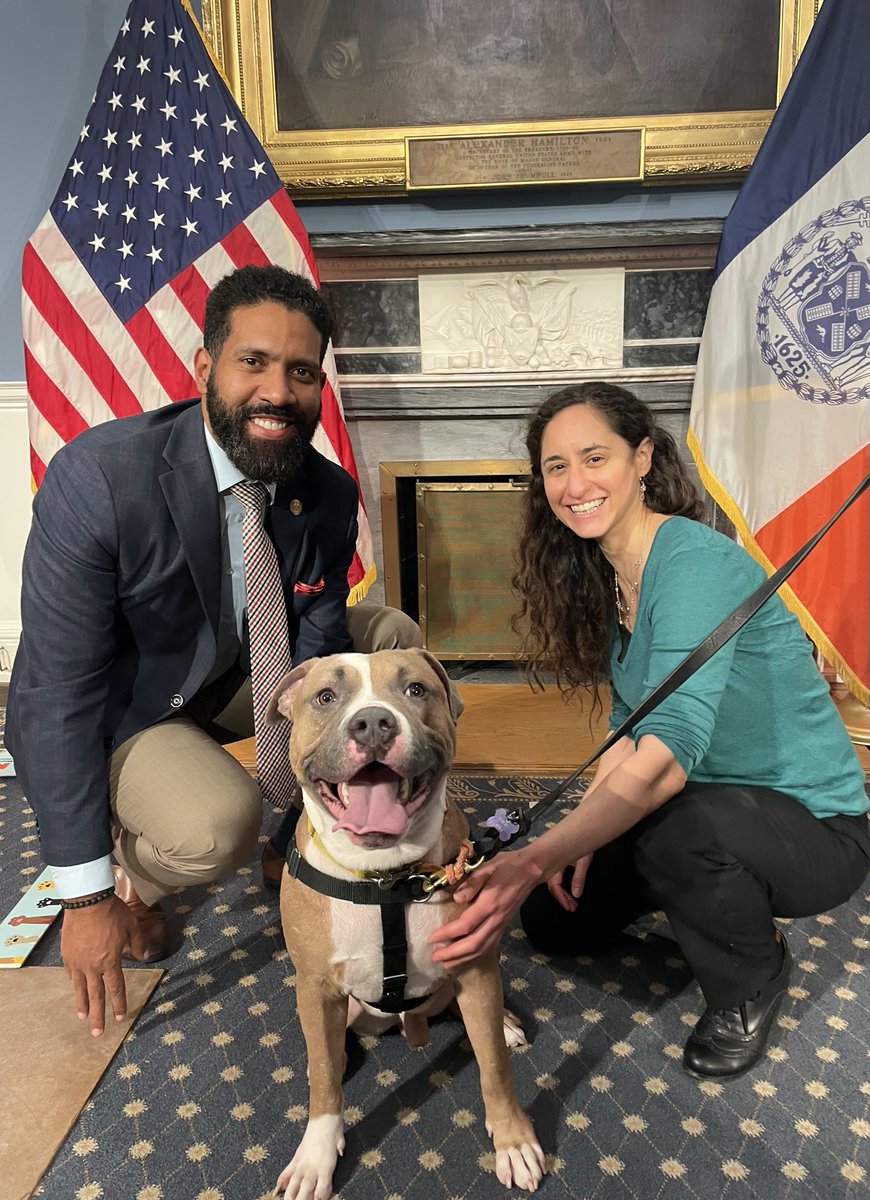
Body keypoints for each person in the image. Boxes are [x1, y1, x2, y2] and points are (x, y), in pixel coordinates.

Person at [7, 264, 418, 1037]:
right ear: (205, 367)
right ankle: (139, 880)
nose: (277, 391)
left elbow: (322, 636)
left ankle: (305, 828)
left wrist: (305, 794)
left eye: (301, 371)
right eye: (253, 362)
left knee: (389, 643)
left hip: (229, 665)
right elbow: (56, 692)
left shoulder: (325, 492)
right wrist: (87, 896)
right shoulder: (99, 479)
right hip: (126, 706)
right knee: (212, 827)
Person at [431, 381, 870, 1080]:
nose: (575, 484)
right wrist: (582, 830)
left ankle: (752, 978)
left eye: (594, 457)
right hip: (702, 802)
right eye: (556, 466)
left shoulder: (692, 561)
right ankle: (692, 890)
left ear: (642, 459)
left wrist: (538, 854)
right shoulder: (613, 577)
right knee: (554, 924)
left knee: (675, 831)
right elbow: (628, 729)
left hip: (815, 828)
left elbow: (667, 759)